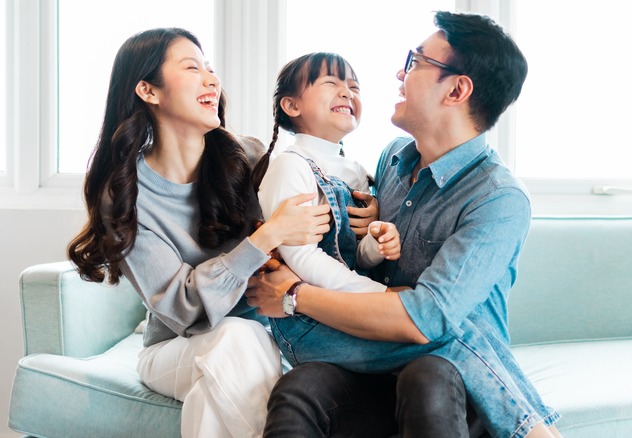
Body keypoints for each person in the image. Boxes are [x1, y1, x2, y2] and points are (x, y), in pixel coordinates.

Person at [247, 11, 562, 438]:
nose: (400, 73)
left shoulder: (499, 200)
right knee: (300, 387)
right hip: (370, 360)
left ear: (457, 89)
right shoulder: (391, 160)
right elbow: (354, 251)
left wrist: (294, 295)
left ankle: (528, 428)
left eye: (415, 62)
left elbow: (426, 320)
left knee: (429, 374)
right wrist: (373, 228)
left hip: (449, 380)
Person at [66, 27, 331, 438]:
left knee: (215, 391)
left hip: (264, 339)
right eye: (193, 68)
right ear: (148, 91)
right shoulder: (124, 194)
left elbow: (319, 187)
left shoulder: (248, 156)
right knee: (238, 338)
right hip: (173, 349)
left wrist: (365, 214)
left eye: (210, 68)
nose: (212, 79)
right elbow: (182, 308)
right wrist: (262, 239)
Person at [253, 52, 401, 296]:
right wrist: (380, 296)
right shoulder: (290, 166)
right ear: (292, 105)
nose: (347, 92)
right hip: (303, 312)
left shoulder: (356, 172)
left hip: (348, 300)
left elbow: (356, 259)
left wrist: (376, 242)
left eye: (354, 86)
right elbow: (302, 257)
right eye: (331, 83)